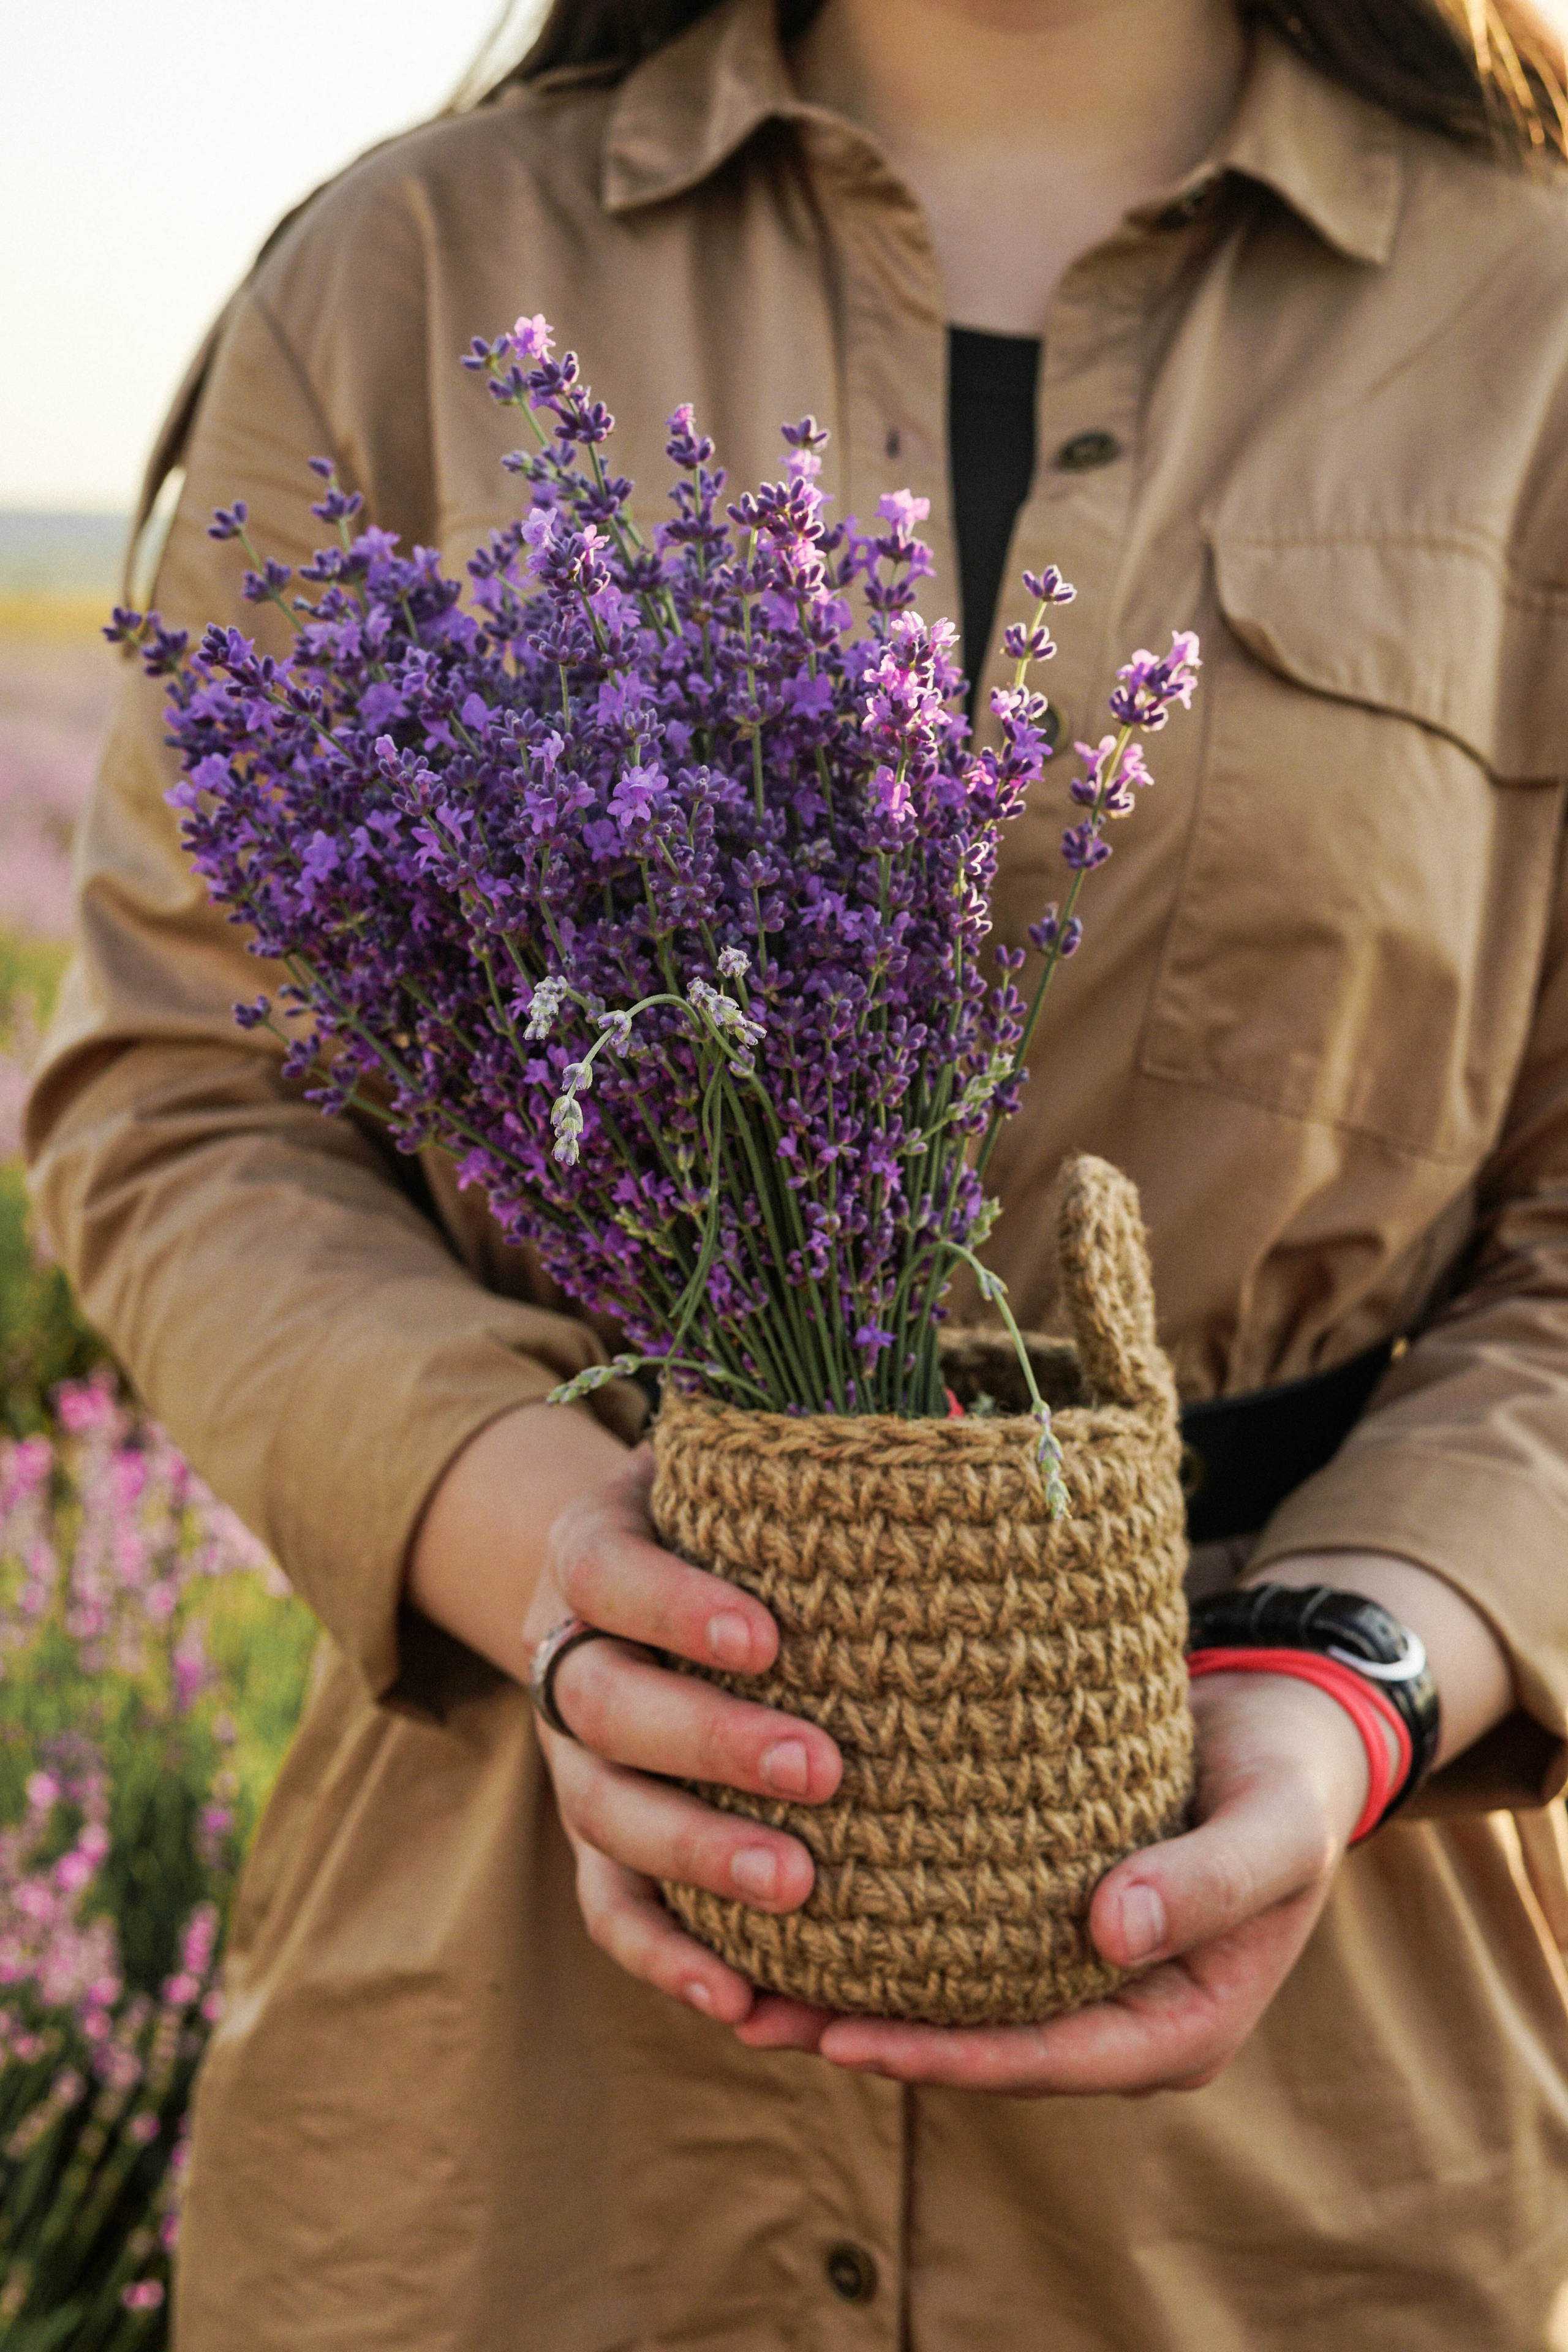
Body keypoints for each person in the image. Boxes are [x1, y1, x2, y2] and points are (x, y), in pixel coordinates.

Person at [27, 0, 1568, 2342]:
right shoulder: (415, 266)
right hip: (510, 2072)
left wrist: (1361, 1668)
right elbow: (178, 1099)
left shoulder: (1527, 306)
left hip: (1309, 2118)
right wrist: (561, 1569)